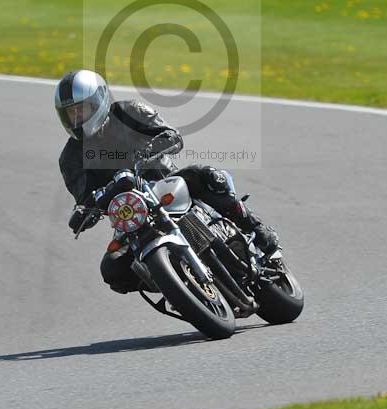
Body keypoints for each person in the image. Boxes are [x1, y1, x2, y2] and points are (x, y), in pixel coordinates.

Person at [55, 69, 279, 294]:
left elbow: (171, 136)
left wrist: (150, 149)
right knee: (113, 270)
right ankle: (173, 281)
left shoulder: (130, 111)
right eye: (70, 114)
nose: (76, 118)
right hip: (132, 214)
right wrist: (85, 211)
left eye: (81, 110)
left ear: (98, 101)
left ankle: (256, 227)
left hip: (166, 182)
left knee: (208, 175)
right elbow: (85, 198)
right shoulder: (70, 158)